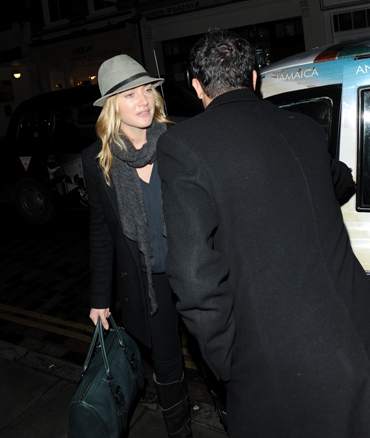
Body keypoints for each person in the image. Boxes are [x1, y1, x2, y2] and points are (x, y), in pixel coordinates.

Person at [156, 28, 370, 438]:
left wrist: (227, 362)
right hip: (357, 331)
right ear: (253, 78)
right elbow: (338, 179)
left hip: (284, 372)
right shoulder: (303, 128)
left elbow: (194, 277)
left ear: (197, 87)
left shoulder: (184, 146)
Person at [81, 54, 192, 438]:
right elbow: (101, 231)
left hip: (192, 269)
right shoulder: (98, 160)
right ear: (112, 105)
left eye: (146, 89)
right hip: (148, 283)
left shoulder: (179, 138)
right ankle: (180, 431)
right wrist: (100, 297)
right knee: (167, 365)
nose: (143, 100)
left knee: (215, 356)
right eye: (130, 94)